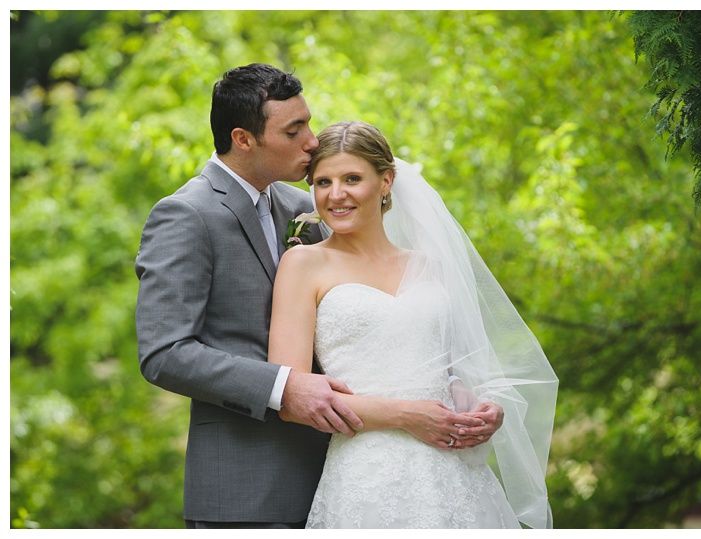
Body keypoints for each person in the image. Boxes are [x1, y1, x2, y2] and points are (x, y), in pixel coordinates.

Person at [134, 64, 491, 528]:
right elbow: (164, 353)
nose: (312, 140)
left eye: (308, 121)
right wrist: (284, 387)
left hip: (350, 464)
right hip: (248, 484)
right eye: (294, 129)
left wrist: (457, 393)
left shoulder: (305, 208)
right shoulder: (186, 215)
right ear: (244, 139)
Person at [268, 121, 559, 528]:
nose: (336, 195)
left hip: (454, 469)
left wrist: (486, 406)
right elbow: (293, 400)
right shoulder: (303, 264)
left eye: (352, 178)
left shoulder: (429, 266)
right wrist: (407, 416)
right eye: (323, 182)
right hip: (367, 474)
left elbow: (459, 369)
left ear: (385, 180)